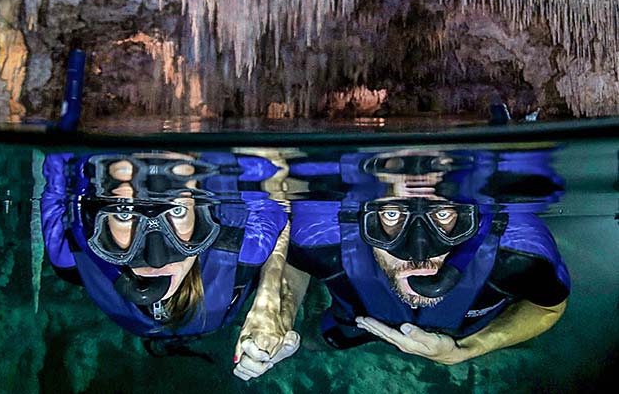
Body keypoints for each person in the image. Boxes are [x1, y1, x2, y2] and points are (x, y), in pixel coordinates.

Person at [233, 149, 570, 379]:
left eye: (442, 215)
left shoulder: (520, 254)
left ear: (468, 216)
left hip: (459, 331)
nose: (417, 251)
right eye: (392, 215)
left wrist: (467, 350)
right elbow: (298, 261)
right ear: (366, 213)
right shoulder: (324, 234)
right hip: (357, 321)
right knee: (313, 341)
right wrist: (280, 316)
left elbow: (548, 307)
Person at [41, 151, 288, 346]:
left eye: (124, 212)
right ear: (201, 213)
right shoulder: (247, 246)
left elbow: (57, 163)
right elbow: (273, 172)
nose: (155, 258)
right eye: (178, 209)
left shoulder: (66, 251)